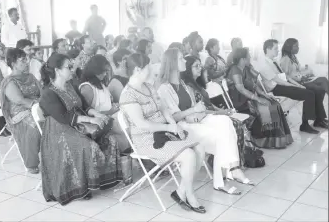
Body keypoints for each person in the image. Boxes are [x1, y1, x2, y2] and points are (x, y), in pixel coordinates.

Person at [119, 50, 206, 213]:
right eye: (148, 68)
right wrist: (168, 127)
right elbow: (142, 124)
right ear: (138, 70)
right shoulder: (128, 96)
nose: (151, 71)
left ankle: (181, 192)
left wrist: (174, 125)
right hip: (147, 140)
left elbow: (164, 109)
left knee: (200, 148)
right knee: (188, 155)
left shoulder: (149, 87)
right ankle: (190, 194)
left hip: (165, 132)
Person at [158, 49, 253, 195]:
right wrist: (193, 111)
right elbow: (172, 118)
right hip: (182, 126)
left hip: (195, 119)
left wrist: (198, 111)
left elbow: (194, 107)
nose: (184, 61)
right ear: (172, 63)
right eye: (181, 59)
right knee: (221, 136)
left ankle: (234, 169)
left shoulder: (183, 83)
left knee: (225, 122)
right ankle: (222, 180)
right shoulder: (164, 88)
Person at [39, 53, 123, 205]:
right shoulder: (48, 92)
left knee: (109, 139)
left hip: (80, 125)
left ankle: (102, 180)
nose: (73, 69)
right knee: (87, 146)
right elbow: (63, 117)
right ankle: (79, 188)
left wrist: (98, 114)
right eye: (69, 67)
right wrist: (91, 119)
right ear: (57, 70)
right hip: (59, 131)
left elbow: (84, 106)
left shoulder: (71, 86)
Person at [226, 48, 293, 149]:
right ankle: (268, 141)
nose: (250, 57)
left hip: (249, 97)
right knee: (268, 107)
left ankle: (279, 139)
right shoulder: (235, 70)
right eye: (248, 56)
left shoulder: (246, 68)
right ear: (242, 59)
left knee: (274, 103)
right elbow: (241, 89)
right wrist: (258, 99)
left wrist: (264, 94)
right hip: (240, 101)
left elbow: (253, 85)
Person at [258, 39, 323, 134]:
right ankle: (305, 125)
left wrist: (297, 84)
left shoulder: (274, 61)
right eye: (275, 48)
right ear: (268, 49)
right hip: (276, 89)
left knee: (312, 91)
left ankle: (314, 120)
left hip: (282, 85)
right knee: (309, 94)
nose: (278, 51)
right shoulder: (264, 65)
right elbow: (279, 81)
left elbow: (286, 76)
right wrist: (296, 86)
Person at [79, 55, 131, 158]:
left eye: (106, 71)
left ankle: (132, 152)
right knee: (126, 125)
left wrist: (114, 106)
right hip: (100, 122)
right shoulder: (87, 88)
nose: (105, 74)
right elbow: (85, 113)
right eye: (103, 71)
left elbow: (106, 103)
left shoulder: (101, 84)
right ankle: (129, 152)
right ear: (95, 71)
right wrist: (110, 111)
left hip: (111, 116)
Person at [0, 48, 41, 174]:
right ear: (13, 63)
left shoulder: (31, 77)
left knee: (55, 119)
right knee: (35, 125)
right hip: (19, 114)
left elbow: (42, 93)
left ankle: (53, 154)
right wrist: (38, 105)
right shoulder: (9, 81)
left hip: (37, 107)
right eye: (23, 60)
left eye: (26, 59)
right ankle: (31, 163)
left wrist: (45, 104)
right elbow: (20, 100)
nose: (27, 62)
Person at [280, 38, 328, 129]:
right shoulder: (285, 59)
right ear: (289, 47)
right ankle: (319, 119)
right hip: (296, 82)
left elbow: (297, 70)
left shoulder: (293, 57)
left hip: (301, 79)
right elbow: (285, 76)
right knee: (318, 89)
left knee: (323, 80)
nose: (298, 48)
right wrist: (299, 77)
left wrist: (306, 72)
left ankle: (319, 119)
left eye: (298, 46)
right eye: (296, 46)